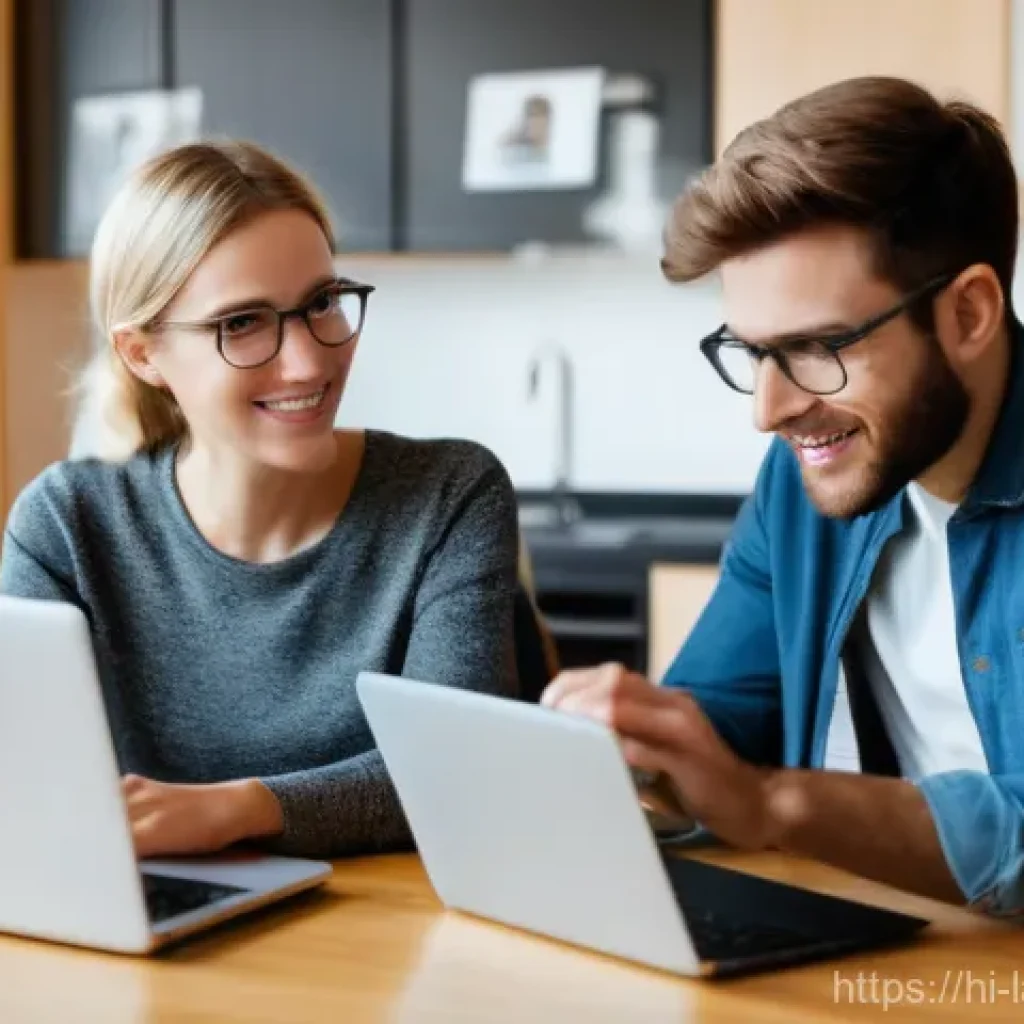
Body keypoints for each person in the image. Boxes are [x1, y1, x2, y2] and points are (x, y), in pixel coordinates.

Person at [543, 76, 1024, 918]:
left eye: (816, 347)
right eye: (752, 350)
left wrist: (774, 806)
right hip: (890, 949)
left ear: (971, 312)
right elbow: (726, 714)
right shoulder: (808, 478)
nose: (770, 410)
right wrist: (642, 743)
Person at [0, 140, 519, 859]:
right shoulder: (65, 524)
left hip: (390, 945)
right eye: (241, 323)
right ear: (142, 353)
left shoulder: (449, 496)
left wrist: (238, 809)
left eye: (321, 304)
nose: (308, 362)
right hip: (161, 936)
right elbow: (30, 790)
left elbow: (458, 773)